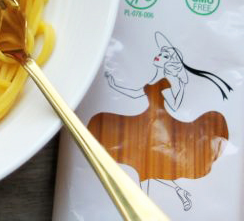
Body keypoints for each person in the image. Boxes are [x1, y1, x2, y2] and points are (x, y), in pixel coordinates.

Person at [87, 31, 231, 212]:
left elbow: (175, 105)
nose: (160, 56)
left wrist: (178, 85)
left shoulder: (166, 83)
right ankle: (174, 193)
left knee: (146, 165)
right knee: (145, 165)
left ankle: (142, 206)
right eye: (161, 53)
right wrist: (114, 84)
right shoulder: (153, 80)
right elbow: (133, 93)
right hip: (146, 123)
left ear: (170, 62)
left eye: (165, 55)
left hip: (161, 125)